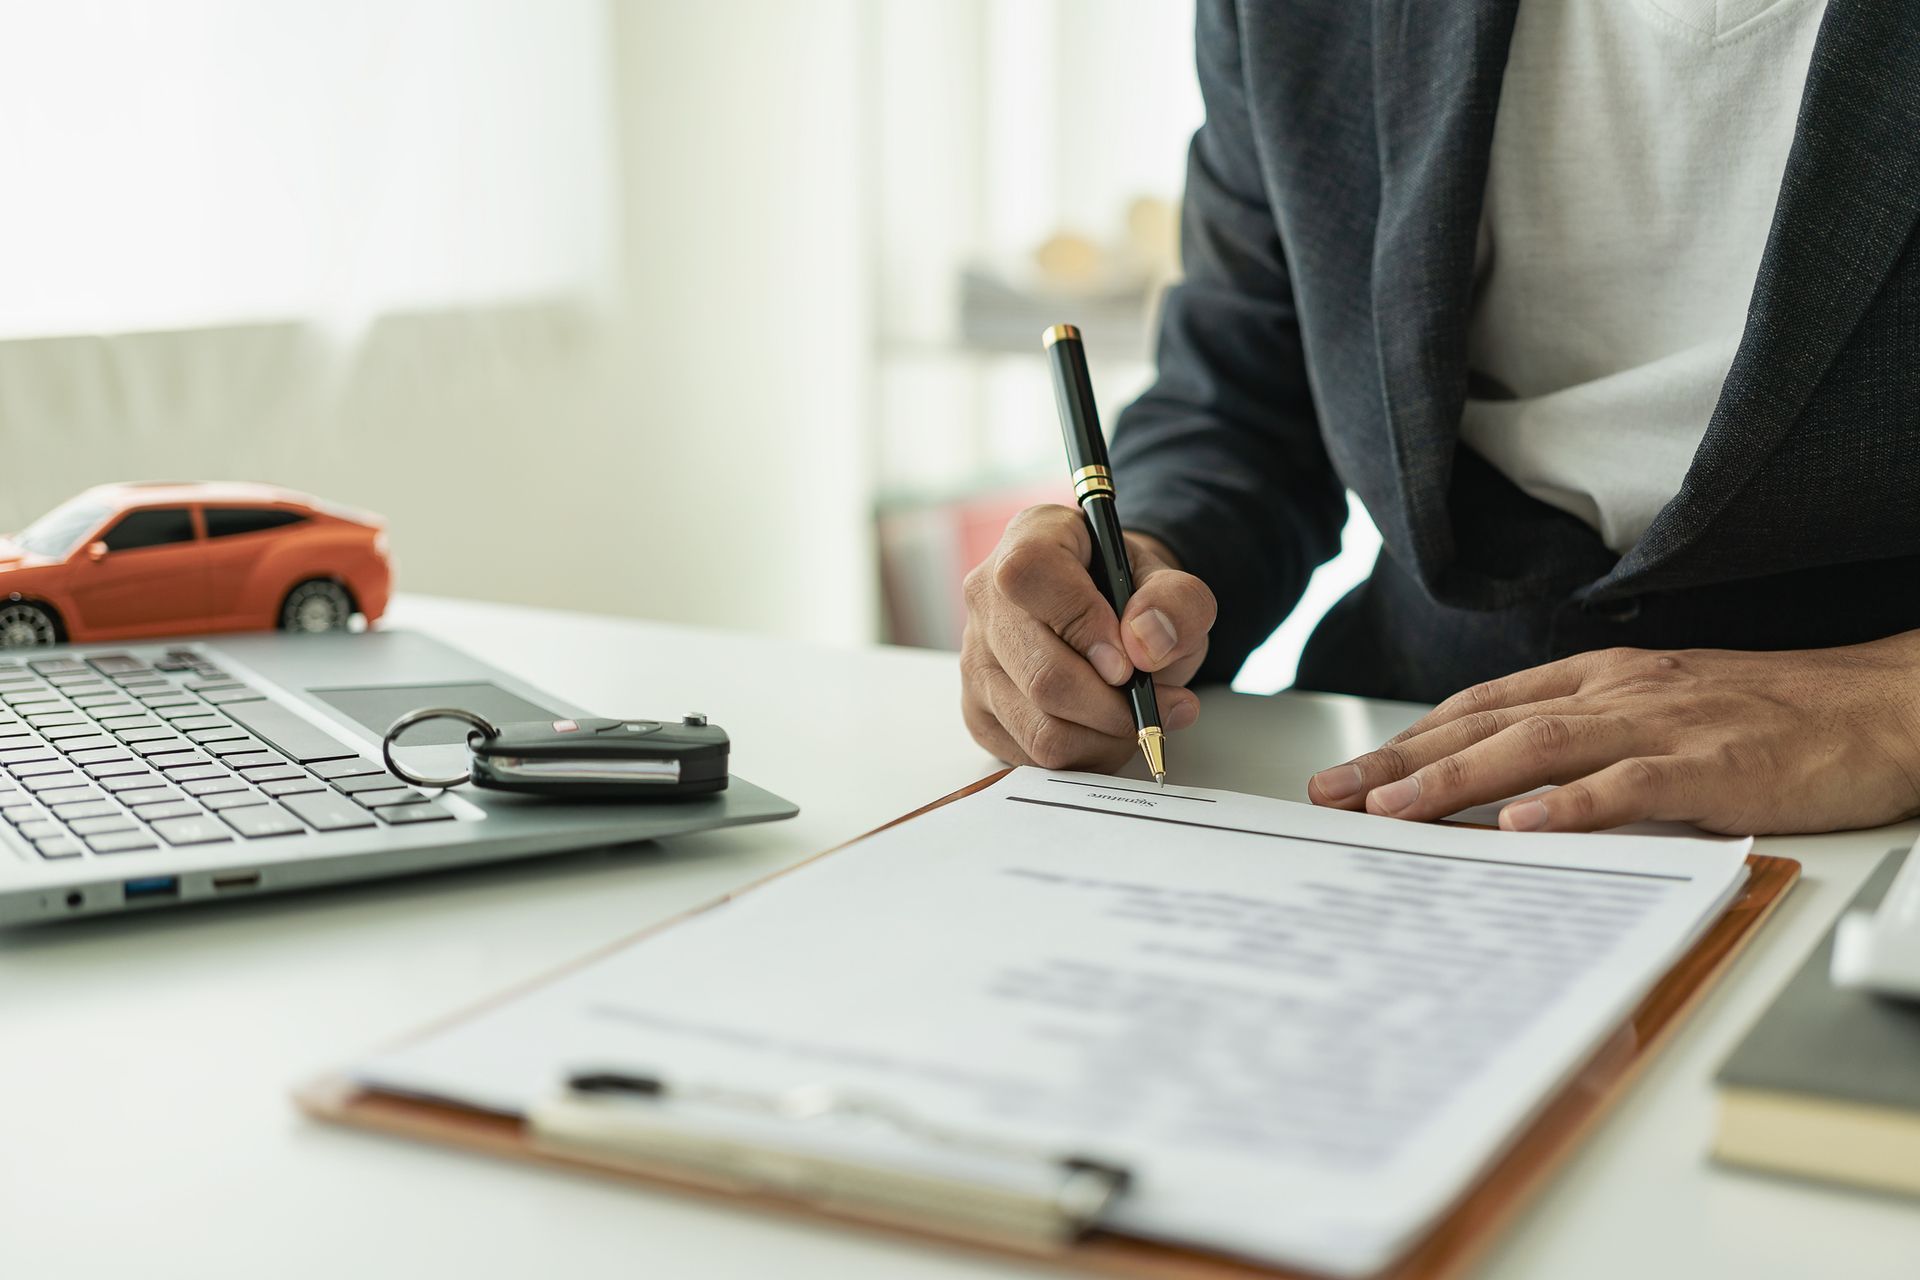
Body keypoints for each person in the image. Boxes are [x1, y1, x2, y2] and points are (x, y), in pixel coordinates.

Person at [960, 0, 1920, 835]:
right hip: (1404, 771)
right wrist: (1134, 564)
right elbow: (1245, 398)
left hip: (1861, 817)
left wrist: (1894, 705)